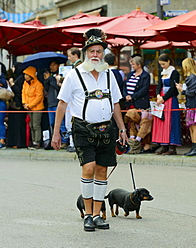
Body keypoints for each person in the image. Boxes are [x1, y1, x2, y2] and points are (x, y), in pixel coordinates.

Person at [51, 28, 128, 232]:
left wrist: (122, 129)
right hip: (83, 129)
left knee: (102, 170)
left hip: (107, 130)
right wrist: (56, 132)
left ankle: (97, 214)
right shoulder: (74, 75)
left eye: (99, 51)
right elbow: (61, 104)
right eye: (92, 51)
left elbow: (116, 104)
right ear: (86, 53)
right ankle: (87, 214)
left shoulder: (109, 75)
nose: (95, 55)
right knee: (88, 168)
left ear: (103, 53)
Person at [122, 56, 152, 154]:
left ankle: (140, 142)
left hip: (141, 103)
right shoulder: (130, 74)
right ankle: (133, 141)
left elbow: (144, 89)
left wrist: (133, 96)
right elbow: (124, 86)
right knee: (132, 122)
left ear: (139, 65)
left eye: (133, 64)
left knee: (143, 122)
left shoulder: (145, 75)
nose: (132, 66)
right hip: (130, 103)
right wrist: (126, 95)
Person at [152, 53, 181, 155]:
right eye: (161, 64)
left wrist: (164, 98)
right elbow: (158, 85)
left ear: (169, 61)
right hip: (162, 99)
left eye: (163, 64)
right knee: (162, 122)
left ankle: (172, 147)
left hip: (170, 99)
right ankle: (164, 145)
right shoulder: (162, 72)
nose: (162, 66)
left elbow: (174, 89)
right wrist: (158, 95)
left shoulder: (174, 73)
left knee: (171, 122)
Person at [176, 58, 196, 156]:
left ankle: (195, 147)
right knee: (192, 127)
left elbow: (191, 93)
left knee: (194, 127)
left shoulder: (193, 77)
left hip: (194, 105)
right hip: (193, 104)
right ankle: (194, 147)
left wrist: (181, 89)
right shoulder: (195, 77)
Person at [44, 61, 68, 148]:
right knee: (52, 123)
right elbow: (46, 88)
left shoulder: (60, 75)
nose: (52, 67)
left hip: (57, 102)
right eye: (51, 65)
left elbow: (57, 86)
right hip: (50, 103)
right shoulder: (49, 75)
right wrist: (46, 80)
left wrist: (50, 78)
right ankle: (53, 141)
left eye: (53, 65)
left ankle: (65, 141)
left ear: (58, 65)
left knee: (61, 123)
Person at [21, 66, 44, 150]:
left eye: (27, 74)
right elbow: (23, 93)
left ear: (31, 75)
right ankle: (33, 141)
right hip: (28, 107)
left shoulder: (38, 84)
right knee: (31, 125)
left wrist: (29, 105)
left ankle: (37, 142)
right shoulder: (25, 83)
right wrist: (24, 103)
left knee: (36, 125)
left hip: (37, 108)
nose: (25, 76)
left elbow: (39, 97)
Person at [65, 47, 83, 153]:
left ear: (75, 55)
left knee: (73, 120)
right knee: (70, 121)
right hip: (73, 97)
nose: (68, 57)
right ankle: (73, 142)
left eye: (70, 55)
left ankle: (74, 143)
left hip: (75, 98)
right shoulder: (75, 67)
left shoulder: (78, 67)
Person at [7, 62, 27, 148]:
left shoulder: (22, 78)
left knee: (19, 124)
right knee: (12, 124)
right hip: (13, 106)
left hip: (19, 105)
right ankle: (12, 142)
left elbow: (19, 92)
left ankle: (19, 142)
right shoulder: (16, 77)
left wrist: (13, 85)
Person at [0, 62, 8, 149]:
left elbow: (4, 84)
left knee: (0, 121)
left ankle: (2, 140)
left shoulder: (2, 77)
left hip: (1, 101)